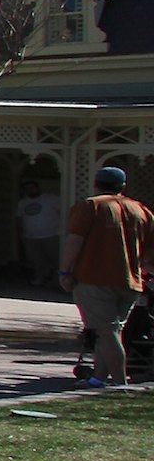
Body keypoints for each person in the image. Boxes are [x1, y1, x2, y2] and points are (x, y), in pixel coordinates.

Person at [61, 165, 151, 389]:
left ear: (97, 184)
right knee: (111, 331)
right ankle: (98, 378)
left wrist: (65, 270)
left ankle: (120, 383)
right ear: (123, 186)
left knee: (106, 331)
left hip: (94, 277)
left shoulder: (90, 206)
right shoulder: (141, 210)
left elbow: (75, 241)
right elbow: (150, 250)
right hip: (131, 279)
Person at [17, 179, 64, 289]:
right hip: (30, 237)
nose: (31, 190)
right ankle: (40, 278)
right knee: (36, 260)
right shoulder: (22, 203)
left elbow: (65, 211)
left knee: (56, 259)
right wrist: (19, 235)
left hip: (51, 235)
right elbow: (18, 218)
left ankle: (59, 281)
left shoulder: (52, 199)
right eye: (28, 189)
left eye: (33, 188)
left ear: (38, 188)